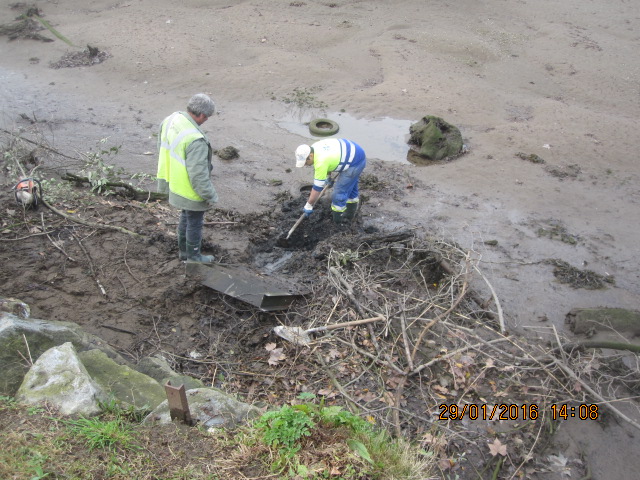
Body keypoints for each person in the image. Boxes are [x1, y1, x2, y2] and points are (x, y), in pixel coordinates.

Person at [157, 93, 218, 263]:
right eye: (206, 117)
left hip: (174, 182)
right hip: (189, 189)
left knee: (185, 216)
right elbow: (198, 176)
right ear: (202, 115)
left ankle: (183, 253)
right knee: (194, 222)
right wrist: (210, 195)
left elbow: (162, 146)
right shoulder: (196, 140)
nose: (205, 120)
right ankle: (193, 256)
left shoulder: (172, 120)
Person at [295, 138, 366, 224]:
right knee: (350, 187)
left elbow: (317, 189)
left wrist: (309, 205)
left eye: (305, 162)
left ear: (310, 156)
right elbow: (329, 161)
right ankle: (351, 214)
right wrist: (328, 176)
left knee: (338, 194)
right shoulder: (314, 148)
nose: (305, 165)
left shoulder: (320, 162)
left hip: (355, 162)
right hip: (355, 152)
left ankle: (339, 222)